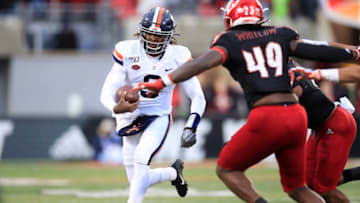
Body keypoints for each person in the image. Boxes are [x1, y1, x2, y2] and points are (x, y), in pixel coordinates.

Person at [135, 0, 360, 202]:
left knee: (227, 169)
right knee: (299, 187)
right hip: (298, 117)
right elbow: (318, 49)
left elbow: (203, 63)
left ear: (230, 18)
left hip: (273, 115)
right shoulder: (280, 34)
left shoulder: (229, 40)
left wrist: (162, 82)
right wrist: (355, 53)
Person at [99, 7, 206, 203]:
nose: (154, 40)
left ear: (170, 36)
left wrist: (192, 124)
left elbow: (197, 96)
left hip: (158, 115)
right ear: (141, 32)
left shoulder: (179, 55)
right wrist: (116, 109)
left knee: (142, 157)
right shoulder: (127, 50)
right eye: (150, 35)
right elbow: (106, 91)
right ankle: (173, 173)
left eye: (160, 36)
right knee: (136, 180)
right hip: (129, 116)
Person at [289, 60, 357, 203]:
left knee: (323, 188)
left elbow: (294, 95)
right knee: (307, 185)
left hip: (335, 124)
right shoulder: (281, 65)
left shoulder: (283, 69)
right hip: (320, 127)